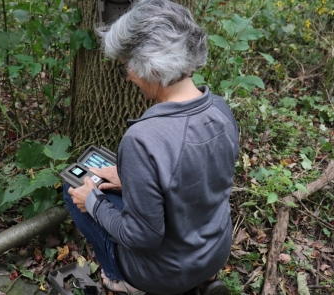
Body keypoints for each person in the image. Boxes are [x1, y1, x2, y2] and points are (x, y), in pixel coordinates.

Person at [63, 0, 240, 294]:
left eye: (126, 68)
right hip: (214, 251)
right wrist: (130, 178)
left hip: (163, 274)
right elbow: (195, 176)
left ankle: (120, 280)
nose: (129, 77)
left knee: (74, 192)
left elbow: (142, 237)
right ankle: (203, 277)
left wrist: (91, 202)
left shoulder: (142, 139)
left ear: (153, 69)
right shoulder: (221, 110)